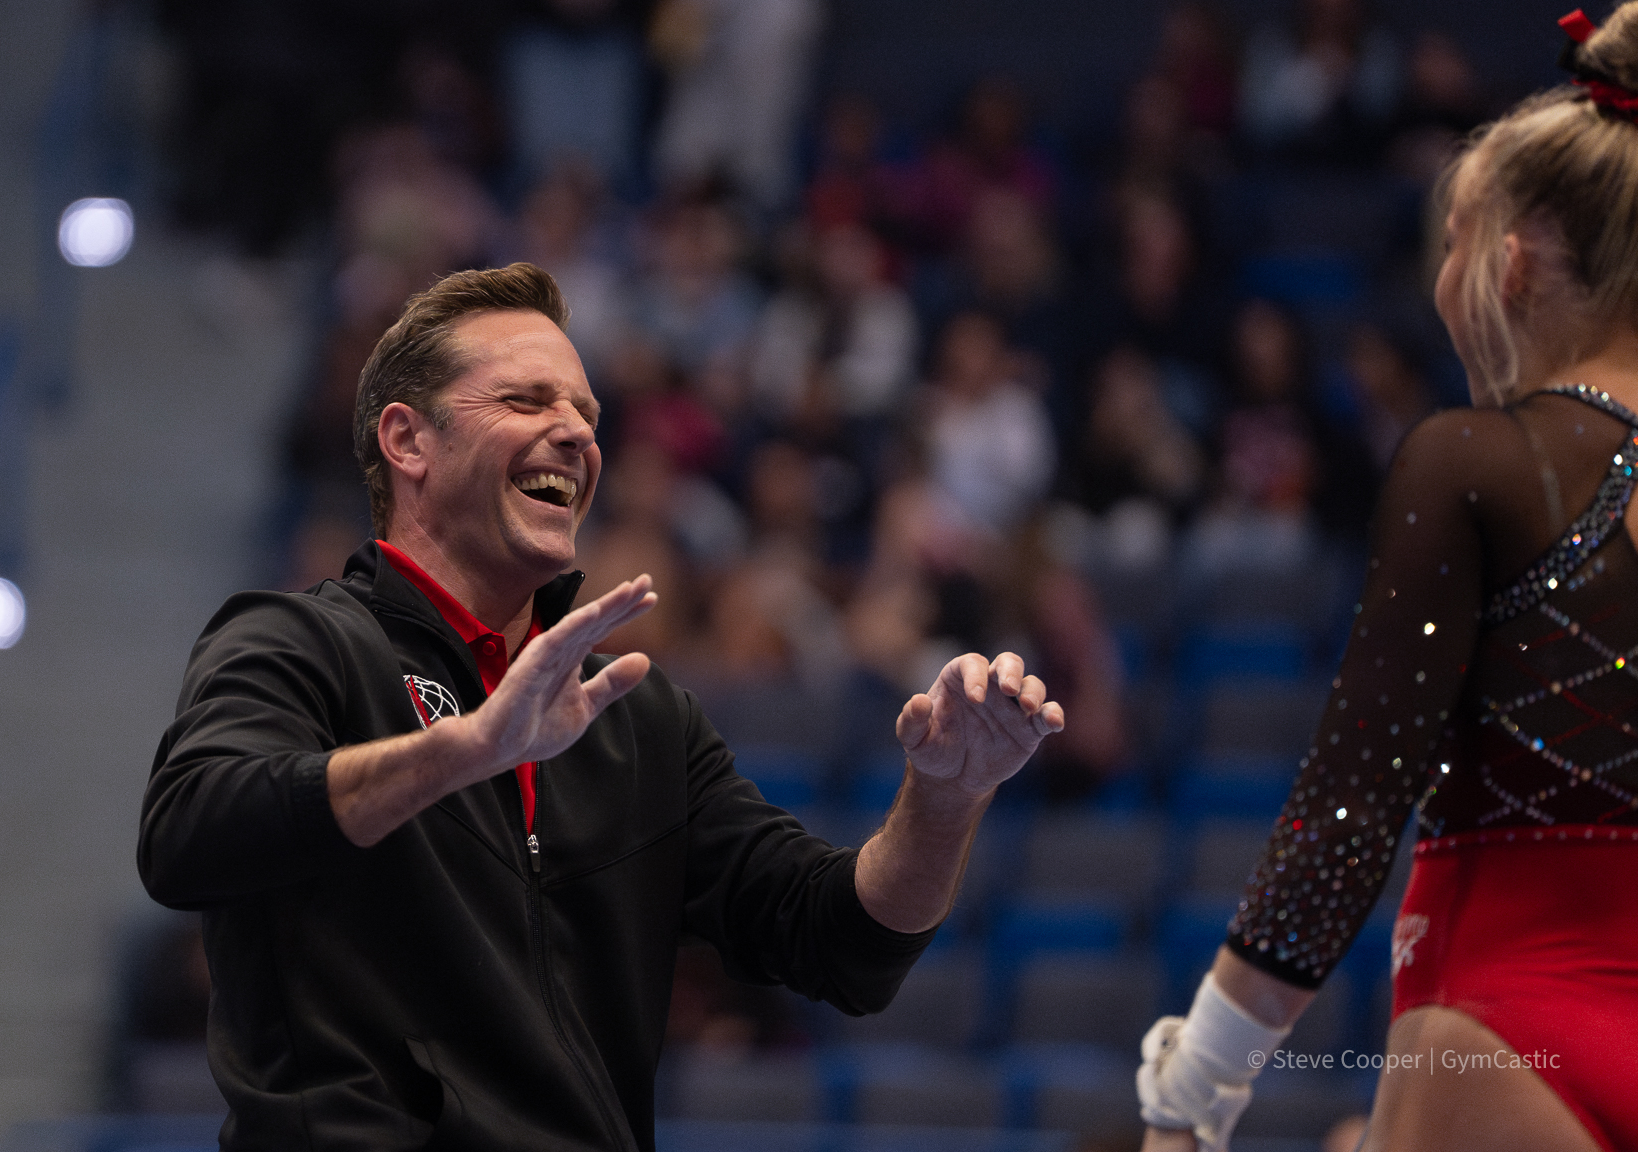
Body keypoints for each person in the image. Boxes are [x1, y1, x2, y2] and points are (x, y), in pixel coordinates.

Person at [140, 263, 1064, 1151]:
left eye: (586, 413)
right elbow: (190, 833)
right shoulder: (295, 643)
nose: (578, 435)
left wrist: (944, 799)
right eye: (526, 401)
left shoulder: (635, 715)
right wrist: (464, 750)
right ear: (408, 441)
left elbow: (845, 948)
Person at [1137, 8, 1638, 1151]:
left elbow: (1345, 817)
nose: (1440, 284)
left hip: (1507, 1032)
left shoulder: (1479, 464)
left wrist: (1192, 1092)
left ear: (1509, 266)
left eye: (1449, 247)